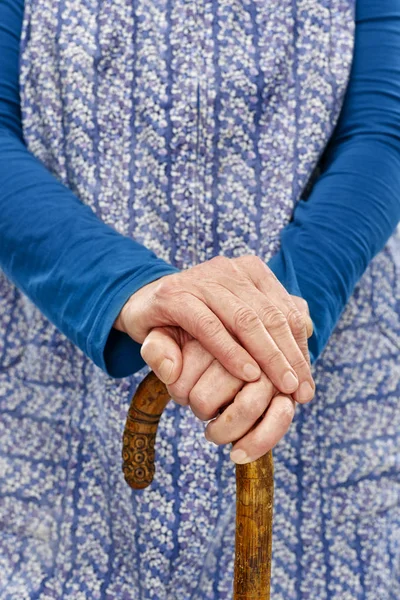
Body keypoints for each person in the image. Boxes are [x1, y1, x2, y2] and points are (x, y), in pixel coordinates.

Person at [0, 0, 400, 597]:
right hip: (63, 381)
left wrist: (273, 322)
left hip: (317, 381)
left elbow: (383, 128)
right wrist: (128, 286)